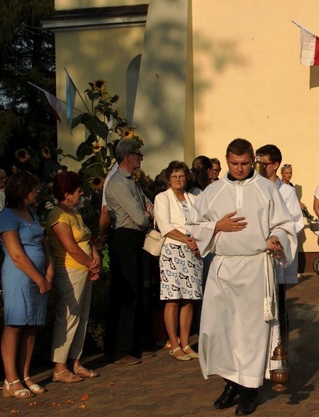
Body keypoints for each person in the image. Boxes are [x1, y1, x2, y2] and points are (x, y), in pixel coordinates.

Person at [187, 138, 296, 416]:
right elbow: (194, 225)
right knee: (220, 330)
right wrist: (216, 226)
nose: (239, 168)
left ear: (252, 161)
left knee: (250, 333)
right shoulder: (211, 192)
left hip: (255, 268)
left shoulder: (266, 189)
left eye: (245, 163)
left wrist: (276, 238)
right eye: (234, 163)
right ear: (226, 160)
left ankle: (249, 390)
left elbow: (285, 225)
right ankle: (230, 383)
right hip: (223, 268)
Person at [0, 171, 53, 398]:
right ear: (22, 190)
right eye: (34, 189)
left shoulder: (32, 213)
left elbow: (43, 243)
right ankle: (11, 380)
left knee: (31, 325)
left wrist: (49, 271)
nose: (37, 192)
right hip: (19, 276)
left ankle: (25, 374)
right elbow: (16, 254)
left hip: (39, 276)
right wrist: (39, 278)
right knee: (15, 324)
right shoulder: (7, 216)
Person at [47, 171, 101, 383]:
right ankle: (59, 367)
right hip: (70, 270)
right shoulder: (57, 216)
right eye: (77, 190)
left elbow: (87, 239)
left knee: (82, 317)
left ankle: (75, 361)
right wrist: (89, 263)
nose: (81, 193)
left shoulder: (74, 213)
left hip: (84, 270)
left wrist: (94, 260)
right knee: (68, 318)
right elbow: (70, 247)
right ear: (66, 194)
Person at [104, 138, 154, 365]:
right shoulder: (117, 183)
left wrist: (148, 213)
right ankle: (120, 348)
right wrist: (147, 215)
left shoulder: (130, 181)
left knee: (136, 292)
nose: (140, 159)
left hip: (133, 239)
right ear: (128, 157)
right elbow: (140, 216)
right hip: (124, 237)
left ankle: (133, 345)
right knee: (126, 293)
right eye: (138, 155)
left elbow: (148, 204)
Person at [255, 144, 304, 357]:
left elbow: (295, 222)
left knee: (278, 304)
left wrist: (278, 237)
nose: (257, 167)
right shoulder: (254, 187)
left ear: (274, 165)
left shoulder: (286, 191)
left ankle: (280, 350)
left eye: (262, 163)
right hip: (256, 253)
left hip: (277, 253)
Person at [154, 161, 203, 361]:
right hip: (173, 250)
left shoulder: (193, 198)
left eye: (181, 176)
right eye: (174, 176)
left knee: (189, 299)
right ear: (168, 179)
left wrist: (197, 242)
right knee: (173, 298)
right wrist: (187, 239)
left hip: (192, 252)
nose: (178, 179)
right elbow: (164, 225)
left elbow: (200, 223)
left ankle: (186, 342)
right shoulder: (162, 198)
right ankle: (174, 343)